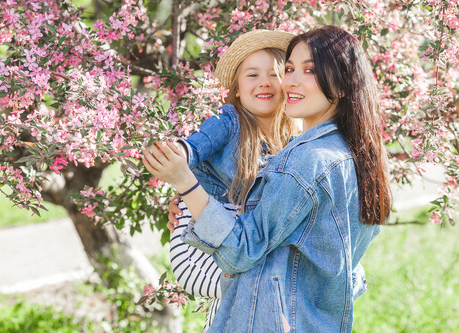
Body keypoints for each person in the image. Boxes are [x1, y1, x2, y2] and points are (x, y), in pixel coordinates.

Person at [143, 25, 391, 332]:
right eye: (290, 69)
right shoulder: (355, 155)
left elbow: (242, 250)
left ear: (341, 85)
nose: (291, 80)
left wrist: (186, 185)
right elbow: (340, 264)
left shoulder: (305, 161)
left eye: (309, 70)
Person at [165, 29, 298, 331]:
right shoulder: (228, 120)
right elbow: (194, 148)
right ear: (237, 89)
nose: (264, 81)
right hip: (199, 246)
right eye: (252, 75)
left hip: (235, 242)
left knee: (244, 308)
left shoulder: (292, 141)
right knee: (262, 292)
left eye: (274, 74)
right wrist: (177, 159)